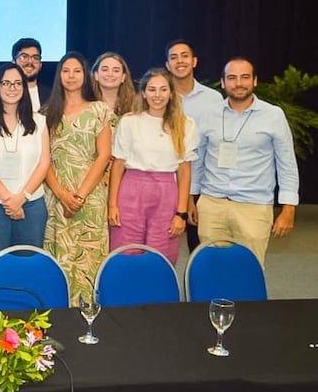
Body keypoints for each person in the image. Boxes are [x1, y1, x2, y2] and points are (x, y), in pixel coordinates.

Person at [191, 57, 298, 266]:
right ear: (223, 83)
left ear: (255, 81)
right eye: (232, 78)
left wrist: (289, 208)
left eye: (244, 77)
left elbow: (287, 164)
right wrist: (190, 199)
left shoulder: (273, 115)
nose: (238, 83)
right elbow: (197, 159)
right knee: (212, 269)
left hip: (254, 207)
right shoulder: (209, 115)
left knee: (249, 272)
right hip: (212, 205)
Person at [42, 51, 112, 304]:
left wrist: (79, 196)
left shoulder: (99, 110)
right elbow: (43, 159)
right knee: (58, 261)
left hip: (89, 198)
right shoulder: (47, 112)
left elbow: (103, 156)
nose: (71, 76)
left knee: (88, 263)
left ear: (85, 76)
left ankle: (87, 320)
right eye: (66, 71)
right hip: (56, 198)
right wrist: (62, 195)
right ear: (59, 75)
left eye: (77, 71)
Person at [107, 69, 197, 266]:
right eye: (152, 89)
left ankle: (157, 296)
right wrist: (112, 205)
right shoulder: (130, 121)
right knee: (125, 251)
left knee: (161, 254)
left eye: (163, 89)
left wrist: (180, 213)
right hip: (131, 190)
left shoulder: (185, 125)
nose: (158, 95)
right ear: (144, 93)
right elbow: (118, 164)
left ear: (171, 93)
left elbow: (184, 171)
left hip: (166, 194)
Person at [0, 64, 50, 269]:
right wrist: (9, 200)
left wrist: (21, 198)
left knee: (29, 268)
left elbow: (44, 164)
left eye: (17, 83)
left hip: (31, 206)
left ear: (24, 87)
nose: (12, 88)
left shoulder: (39, 121)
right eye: (6, 83)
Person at [164, 39, 224, 253]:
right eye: (174, 57)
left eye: (184, 56)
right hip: (162, 183)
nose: (180, 61)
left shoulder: (213, 99)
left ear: (194, 61)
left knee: (199, 249)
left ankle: (195, 287)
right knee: (159, 246)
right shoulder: (159, 97)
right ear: (167, 65)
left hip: (201, 185)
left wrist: (192, 193)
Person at [0, 38, 50, 112]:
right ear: (13, 62)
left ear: (40, 64)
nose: (30, 62)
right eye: (24, 57)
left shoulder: (50, 94)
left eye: (35, 58)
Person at [91, 52, 135, 127]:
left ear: (123, 77)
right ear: (96, 75)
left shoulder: (135, 106)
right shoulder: (86, 105)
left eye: (116, 71)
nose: (110, 74)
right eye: (105, 70)